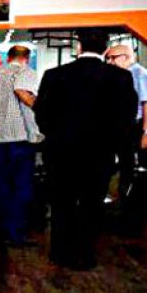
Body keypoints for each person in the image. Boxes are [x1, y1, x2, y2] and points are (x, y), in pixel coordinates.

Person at [35, 29, 136, 269]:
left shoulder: (54, 75)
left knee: (62, 204)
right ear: (105, 49)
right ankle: (85, 254)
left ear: (78, 47)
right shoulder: (121, 78)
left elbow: (42, 115)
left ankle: (60, 253)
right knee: (92, 204)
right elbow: (126, 118)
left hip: (61, 153)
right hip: (100, 154)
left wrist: (57, 136)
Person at [0, 46, 41, 246]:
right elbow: (24, 97)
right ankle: (16, 234)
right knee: (21, 188)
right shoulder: (27, 72)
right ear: (27, 58)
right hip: (20, 138)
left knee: (1, 187)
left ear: (8, 58)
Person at [104, 44, 147, 229]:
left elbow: (146, 104)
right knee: (123, 167)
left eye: (113, 58)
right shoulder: (121, 77)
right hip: (124, 128)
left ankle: (131, 213)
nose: (110, 62)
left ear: (126, 57)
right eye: (108, 58)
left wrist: (146, 132)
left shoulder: (139, 74)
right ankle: (122, 206)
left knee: (131, 170)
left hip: (136, 128)